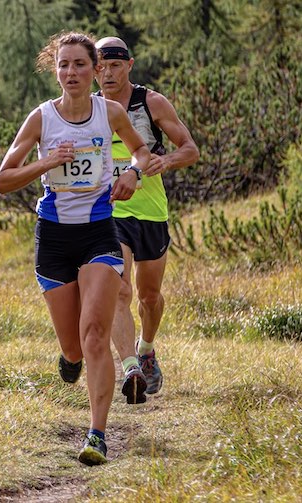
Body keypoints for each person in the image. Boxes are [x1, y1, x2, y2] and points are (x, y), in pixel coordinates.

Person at [0, 31, 152, 466]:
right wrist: (47, 162)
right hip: (55, 236)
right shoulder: (41, 119)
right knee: (74, 347)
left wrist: (132, 175)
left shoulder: (111, 112)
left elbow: (142, 152)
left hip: (100, 232)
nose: (71, 73)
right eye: (63, 65)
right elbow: (3, 180)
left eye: (80, 64)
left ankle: (97, 434)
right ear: (55, 70)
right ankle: (69, 360)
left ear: (96, 69)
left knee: (95, 335)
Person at [93, 37, 200, 400]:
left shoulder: (150, 103)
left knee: (150, 296)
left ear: (129, 65)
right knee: (119, 290)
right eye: (101, 67)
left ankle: (146, 349)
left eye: (115, 66)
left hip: (151, 211)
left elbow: (190, 149)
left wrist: (165, 161)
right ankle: (130, 368)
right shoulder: (88, 110)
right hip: (111, 212)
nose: (107, 74)